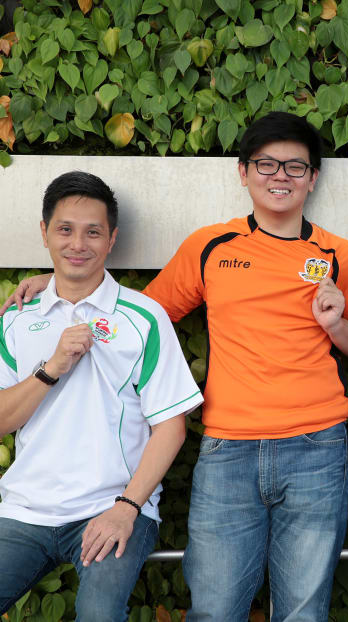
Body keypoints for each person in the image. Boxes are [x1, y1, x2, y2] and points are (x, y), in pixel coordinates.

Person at [2, 112, 348, 621]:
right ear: (243, 172)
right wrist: (50, 286)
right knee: (213, 610)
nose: (280, 177)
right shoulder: (210, 247)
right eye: (266, 164)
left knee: (303, 612)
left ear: (313, 178)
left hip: (317, 445)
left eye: (295, 167)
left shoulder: (341, 256)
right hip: (227, 448)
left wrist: (337, 326)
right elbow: (134, 312)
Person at [0, 171, 203, 620]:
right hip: (25, 511)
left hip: (110, 506)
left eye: (93, 232)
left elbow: (170, 426)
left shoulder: (144, 317)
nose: (78, 244)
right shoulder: (15, 317)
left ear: (112, 239)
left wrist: (126, 508)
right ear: (44, 233)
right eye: (65, 229)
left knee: (99, 615)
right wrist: (51, 369)